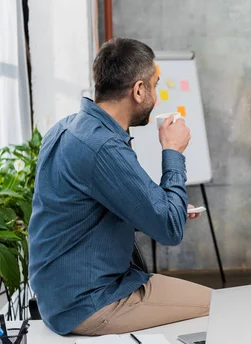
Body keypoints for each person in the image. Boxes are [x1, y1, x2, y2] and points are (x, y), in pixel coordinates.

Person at [28, 38, 212, 336]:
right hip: (89, 303)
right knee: (219, 307)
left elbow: (82, 214)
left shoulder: (64, 128)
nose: (156, 95)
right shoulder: (103, 147)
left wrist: (166, 207)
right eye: (155, 85)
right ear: (139, 90)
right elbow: (170, 230)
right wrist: (173, 151)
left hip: (59, 295)